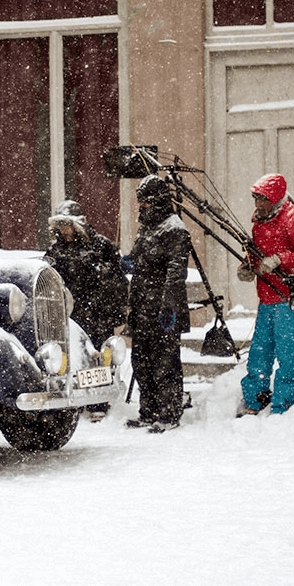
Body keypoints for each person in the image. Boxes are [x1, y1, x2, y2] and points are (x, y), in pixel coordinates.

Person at [236, 174, 294, 416]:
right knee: (259, 350)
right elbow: (257, 254)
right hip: (267, 297)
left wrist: (282, 259)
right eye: (255, 199)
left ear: (274, 198)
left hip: (290, 298)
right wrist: (248, 266)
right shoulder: (259, 223)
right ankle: (255, 399)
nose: (257, 205)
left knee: (287, 353)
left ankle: (282, 404)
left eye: (262, 199)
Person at [44, 200, 129, 420]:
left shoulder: (101, 246)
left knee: (99, 357)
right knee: (72, 357)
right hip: (72, 315)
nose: (64, 230)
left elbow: (117, 281)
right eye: (60, 225)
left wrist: (113, 309)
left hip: (98, 312)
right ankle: (76, 398)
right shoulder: (55, 250)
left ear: (78, 224)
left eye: (67, 224)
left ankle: (98, 402)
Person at [126, 174, 191, 433]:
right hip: (142, 306)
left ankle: (169, 413)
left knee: (165, 362)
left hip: (163, 308)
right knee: (141, 361)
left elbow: (176, 274)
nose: (141, 207)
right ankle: (148, 410)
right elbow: (141, 257)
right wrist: (130, 261)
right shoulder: (148, 226)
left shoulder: (175, 229)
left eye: (146, 203)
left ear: (159, 202)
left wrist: (169, 307)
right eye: (140, 203)